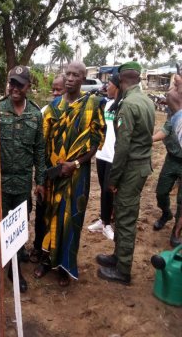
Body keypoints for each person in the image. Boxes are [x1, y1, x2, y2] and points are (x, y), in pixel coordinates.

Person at [41, 61, 106, 286]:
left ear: (83, 79)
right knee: (49, 216)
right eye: (67, 74)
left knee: (70, 220)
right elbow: (43, 142)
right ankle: (47, 260)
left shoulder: (92, 105)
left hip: (77, 174)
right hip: (54, 173)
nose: (70, 78)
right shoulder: (52, 108)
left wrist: (75, 163)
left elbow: (95, 142)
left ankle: (64, 267)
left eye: (75, 75)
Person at [0, 65, 46, 293]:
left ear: (28, 86)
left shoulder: (35, 114)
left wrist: (39, 181)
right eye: (12, 83)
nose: (15, 88)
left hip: (22, 184)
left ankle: (15, 270)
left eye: (20, 84)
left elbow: (40, 151)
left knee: (19, 229)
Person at [97, 61, 155, 285]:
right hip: (139, 167)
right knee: (122, 215)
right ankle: (117, 257)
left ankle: (123, 270)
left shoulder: (129, 105)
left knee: (125, 218)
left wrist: (113, 179)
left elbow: (122, 147)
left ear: (121, 81)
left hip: (131, 169)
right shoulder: (146, 100)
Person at [31, 75, 65, 274]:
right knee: (42, 215)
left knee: (60, 218)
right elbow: (39, 149)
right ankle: (39, 249)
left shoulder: (74, 111)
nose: (55, 93)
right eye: (53, 89)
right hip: (47, 175)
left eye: (58, 90)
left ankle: (58, 258)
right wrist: (40, 179)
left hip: (67, 176)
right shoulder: (44, 112)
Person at [87, 74, 120, 241]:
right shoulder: (105, 104)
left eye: (110, 84)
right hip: (101, 154)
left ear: (118, 87)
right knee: (103, 189)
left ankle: (108, 224)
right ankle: (103, 220)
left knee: (110, 190)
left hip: (114, 156)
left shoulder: (122, 106)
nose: (107, 87)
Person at [151, 115, 182, 246]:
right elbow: (163, 132)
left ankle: (177, 231)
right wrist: (149, 139)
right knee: (161, 192)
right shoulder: (176, 117)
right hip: (172, 160)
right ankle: (166, 214)